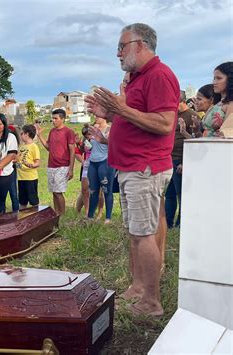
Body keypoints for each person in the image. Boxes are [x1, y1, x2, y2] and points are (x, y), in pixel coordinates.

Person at [85, 23, 179, 317]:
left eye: (121, 46)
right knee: (136, 233)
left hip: (144, 167)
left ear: (140, 44)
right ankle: (139, 288)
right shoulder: (139, 78)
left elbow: (165, 123)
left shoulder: (160, 76)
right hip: (131, 167)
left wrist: (121, 110)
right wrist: (110, 112)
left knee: (144, 233)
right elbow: (137, 117)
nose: (117, 53)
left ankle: (151, 302)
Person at [165, 91, 201, 228]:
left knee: (182, 195)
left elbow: (196, 142)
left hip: (181, 160)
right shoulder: (172, 116)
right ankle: (168, 223)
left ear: (182, 101)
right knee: (169, 194)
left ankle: (182, 224)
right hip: (169, 159)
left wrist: (185, 162)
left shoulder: (192, 116)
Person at [35, 109, 76, 215]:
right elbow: (49, 147)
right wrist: (39, 135)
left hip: (63, 166)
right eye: (52, 118)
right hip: (51, 165)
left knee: (58, 192)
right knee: (54, 192)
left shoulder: (68, 132)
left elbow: (72, 150)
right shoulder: (52, 131)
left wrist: (71, 169)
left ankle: (62, 214)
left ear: (63, 119)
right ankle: (56, 214)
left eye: (55, 118)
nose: (53, 120)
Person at [87, 117, 114, 224]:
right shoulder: (93, 128)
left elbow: (114, 144)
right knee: (93, 191)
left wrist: (103, 139)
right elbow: (89, 144)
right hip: (92, 162)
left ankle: (108, 218)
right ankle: (90, 217)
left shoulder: (110, 129)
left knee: (107, 190)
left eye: (97, 115)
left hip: (105, 161)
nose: (95, 117)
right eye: (94, 115)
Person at [203, 62, 233, 137]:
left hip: (219, 147)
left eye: (219, 78)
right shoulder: (219, 103)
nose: (214, 82)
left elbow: (228, 132)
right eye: (214, 78)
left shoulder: (231, 104)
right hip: (207, 146)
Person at [16, 124, 40, 208]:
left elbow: (37, 163)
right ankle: (23, 218)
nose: (20, 135)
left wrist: (31, 165)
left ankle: (36, 218)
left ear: (27, 134)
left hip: (30, 178)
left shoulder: (34, 147)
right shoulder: (21, 147)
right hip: (21, 178)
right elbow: (17, 160)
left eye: (22, 133)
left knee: (33, 201)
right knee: (22, 201)